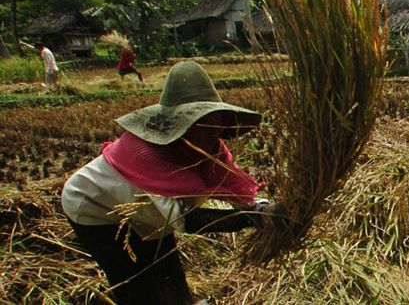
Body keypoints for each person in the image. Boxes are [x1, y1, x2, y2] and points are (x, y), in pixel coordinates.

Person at [61, 60, 283, 305]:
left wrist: (262, 208)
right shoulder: (149, 157)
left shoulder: (209, 151)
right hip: (94, 207)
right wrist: (254, 219)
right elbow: (183, 220)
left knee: (168, 267)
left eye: (218, 124)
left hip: (146, 212)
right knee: (132, 279)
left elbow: (237, 190)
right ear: (182, 127)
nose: (215, 132)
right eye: (205, 125)